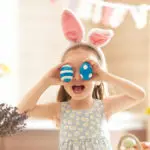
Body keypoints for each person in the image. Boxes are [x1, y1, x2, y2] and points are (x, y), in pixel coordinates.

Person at [17, 9, 145, 150]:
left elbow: (139, 95)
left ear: (96, 77)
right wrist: (46, 81)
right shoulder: (59, 109)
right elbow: (21, 111)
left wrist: (105, 77)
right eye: (70, 71)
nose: (77, 77)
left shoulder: (104, 107)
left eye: (86, 71)